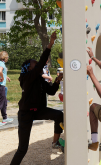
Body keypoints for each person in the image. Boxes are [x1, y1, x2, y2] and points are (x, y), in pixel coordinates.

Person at [10, 31, 64, 165]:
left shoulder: (39, 79)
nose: (39, 65)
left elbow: (51, 91)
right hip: (26, 114)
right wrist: (50, 44)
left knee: (59, 115)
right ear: (29, 68)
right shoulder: (27, 78)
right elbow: (41, 63)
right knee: (23, 149)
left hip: (39, 110)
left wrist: (57, 80)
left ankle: (55, 142)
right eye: (35, 64)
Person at [0, 51, 13, 126]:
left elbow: (2, 72)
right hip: (1, 86)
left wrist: (6, 77)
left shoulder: (1, 63)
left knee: (4, 102)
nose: (8, 58)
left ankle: (5, 118)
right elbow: (0, 71)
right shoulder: (1, 63)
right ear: (5, 57)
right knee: (1, 103)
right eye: (7, 57)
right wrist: (2, 77)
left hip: (2, 85)